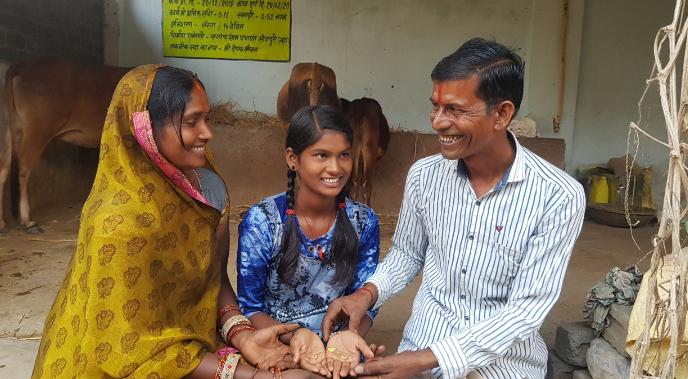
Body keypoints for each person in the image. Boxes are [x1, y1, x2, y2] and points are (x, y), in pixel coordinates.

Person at [32, 65, 320, 379]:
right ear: (145, 129)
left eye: (206, 118)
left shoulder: (205, 185)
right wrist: (251, 376)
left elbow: (215, 280)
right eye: (191, 122)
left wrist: (242, 334)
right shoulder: (117, 225)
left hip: (185, 349)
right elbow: (131, 351)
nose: (208, 133)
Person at [322, 38, 586, 378]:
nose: (437, 122)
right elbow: (406, 253)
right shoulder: (424, 176)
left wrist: (426, 359)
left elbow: (526, 309)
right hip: (422, 341)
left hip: (505, 366)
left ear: (502, 114)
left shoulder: (559, 196)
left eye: (456, 110)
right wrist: (366, 295)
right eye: (435, 106)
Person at [236, 105, 382, 379]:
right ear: (293, 159)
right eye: (321, 155)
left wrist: (348, 338)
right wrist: (295, 338)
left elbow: (367, 301)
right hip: (278, 344)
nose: (335, 168)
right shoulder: (263, 221)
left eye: (344, 155)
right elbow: (250, 307)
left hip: (342, 350)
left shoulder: (364, 221)